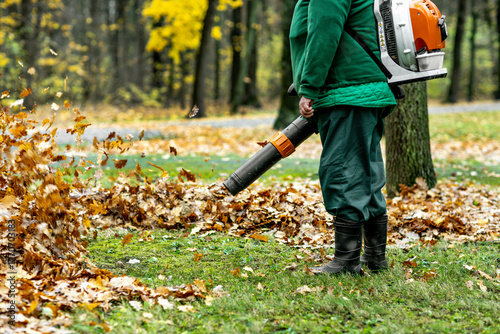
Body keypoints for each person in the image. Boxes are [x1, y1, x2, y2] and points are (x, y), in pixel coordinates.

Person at [289, 0, 397, 275]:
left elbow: (324, 31)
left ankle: (347, 260)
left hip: (345, 89)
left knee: (343, 170)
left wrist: (309, 86)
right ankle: (375, 257)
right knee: (367, 172)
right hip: (364, 89)